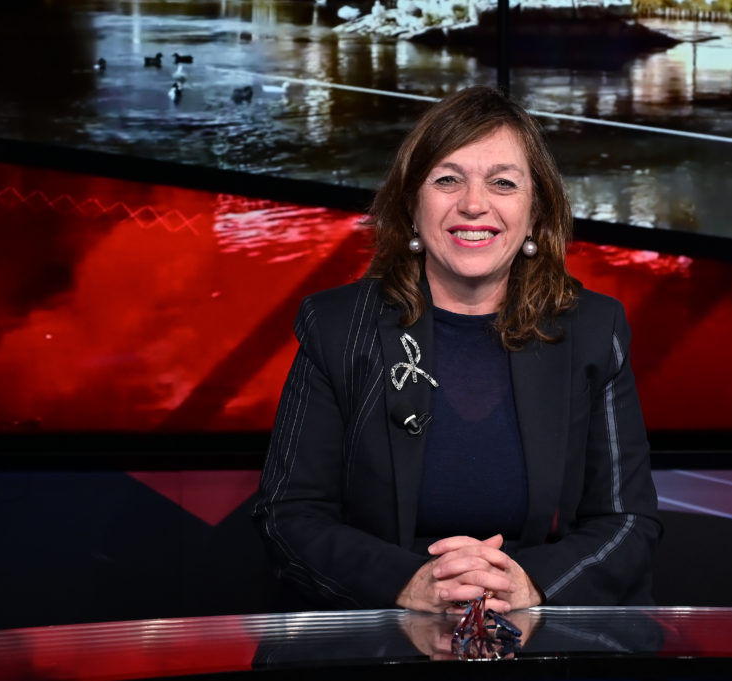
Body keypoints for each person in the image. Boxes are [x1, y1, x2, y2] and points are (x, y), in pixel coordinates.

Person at [252, 85, 661, 615]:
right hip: (379, 626)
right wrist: (409, 584)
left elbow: (628, 520)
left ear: (536, 212)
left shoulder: (593, 329)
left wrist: (530, 586)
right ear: (411, 206)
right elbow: (288, 514)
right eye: (447, 179)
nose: (473, 203)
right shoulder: (335, 326)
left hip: (538, 630)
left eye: (503, 182)